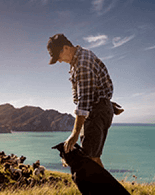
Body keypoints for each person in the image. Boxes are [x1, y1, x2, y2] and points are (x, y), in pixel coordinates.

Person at [47, 33, 123, 168]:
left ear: (65, 48)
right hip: (99, 108)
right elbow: (95, 88)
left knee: (90, 159)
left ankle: (105, 189)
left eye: (58, 56)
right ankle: (105, 188)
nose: (59, 60)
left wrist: (74, 134)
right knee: (92, 157)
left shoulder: (82, 64)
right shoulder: (80, 58)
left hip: (95, 111)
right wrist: (106, 103)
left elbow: (84, 101)